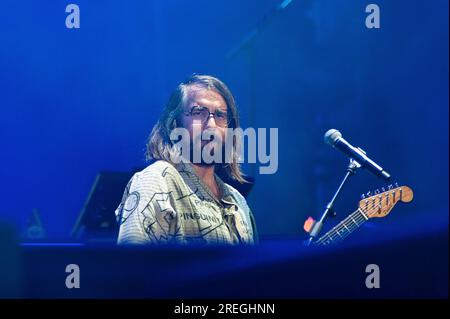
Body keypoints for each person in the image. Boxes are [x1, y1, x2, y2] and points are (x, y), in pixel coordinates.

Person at [115, 74, 258, 245]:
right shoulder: (155, 180)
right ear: (175, 124)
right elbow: (131, 266)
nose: (211, 125)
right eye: (198, 112)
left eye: (220, 115)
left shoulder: (237, 201)